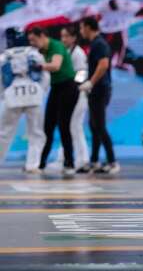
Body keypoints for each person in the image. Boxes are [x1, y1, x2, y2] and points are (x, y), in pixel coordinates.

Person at [27, 27, 78, 177]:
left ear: (42, 35)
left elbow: (55, 66)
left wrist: (39, 67)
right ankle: (41, 164)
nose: (32, 43)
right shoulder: (41, 50)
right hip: (56, 88)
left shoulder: (56, 46)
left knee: (64, 125)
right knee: (47, 127)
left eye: (34, 40)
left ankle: (69, 163)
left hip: (68, 87)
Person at [0, 29, 49, 173]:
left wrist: (3, 95)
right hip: (33, 94)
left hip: (13, 95)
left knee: (4, 133)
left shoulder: (4, 57)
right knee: (36, 132)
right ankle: (32, 165)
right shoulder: (34, 54)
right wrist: (41, 90)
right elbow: (45, 76)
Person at [78, 17, 119, 174]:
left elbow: (103, 65)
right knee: (94, 126)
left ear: (88, 27)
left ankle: (112, 161)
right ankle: (94, 161)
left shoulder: (99, 43)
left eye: (82, 28)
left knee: (100, 126)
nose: (81, 32)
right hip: (95, 90)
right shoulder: (94, 44)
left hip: (101, 89)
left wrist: (91, 82)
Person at [54, 25, 90, 170]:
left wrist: (72, 87)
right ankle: (63, 158)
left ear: (74, 38)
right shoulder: (64, 51)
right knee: (66, 126)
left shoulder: (78, 53)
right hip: (68, 95)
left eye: (66, 36)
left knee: (75, 127)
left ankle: (82, 160)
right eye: (62, 36)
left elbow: (82, 73)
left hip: (77, 95)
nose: (63, 39)